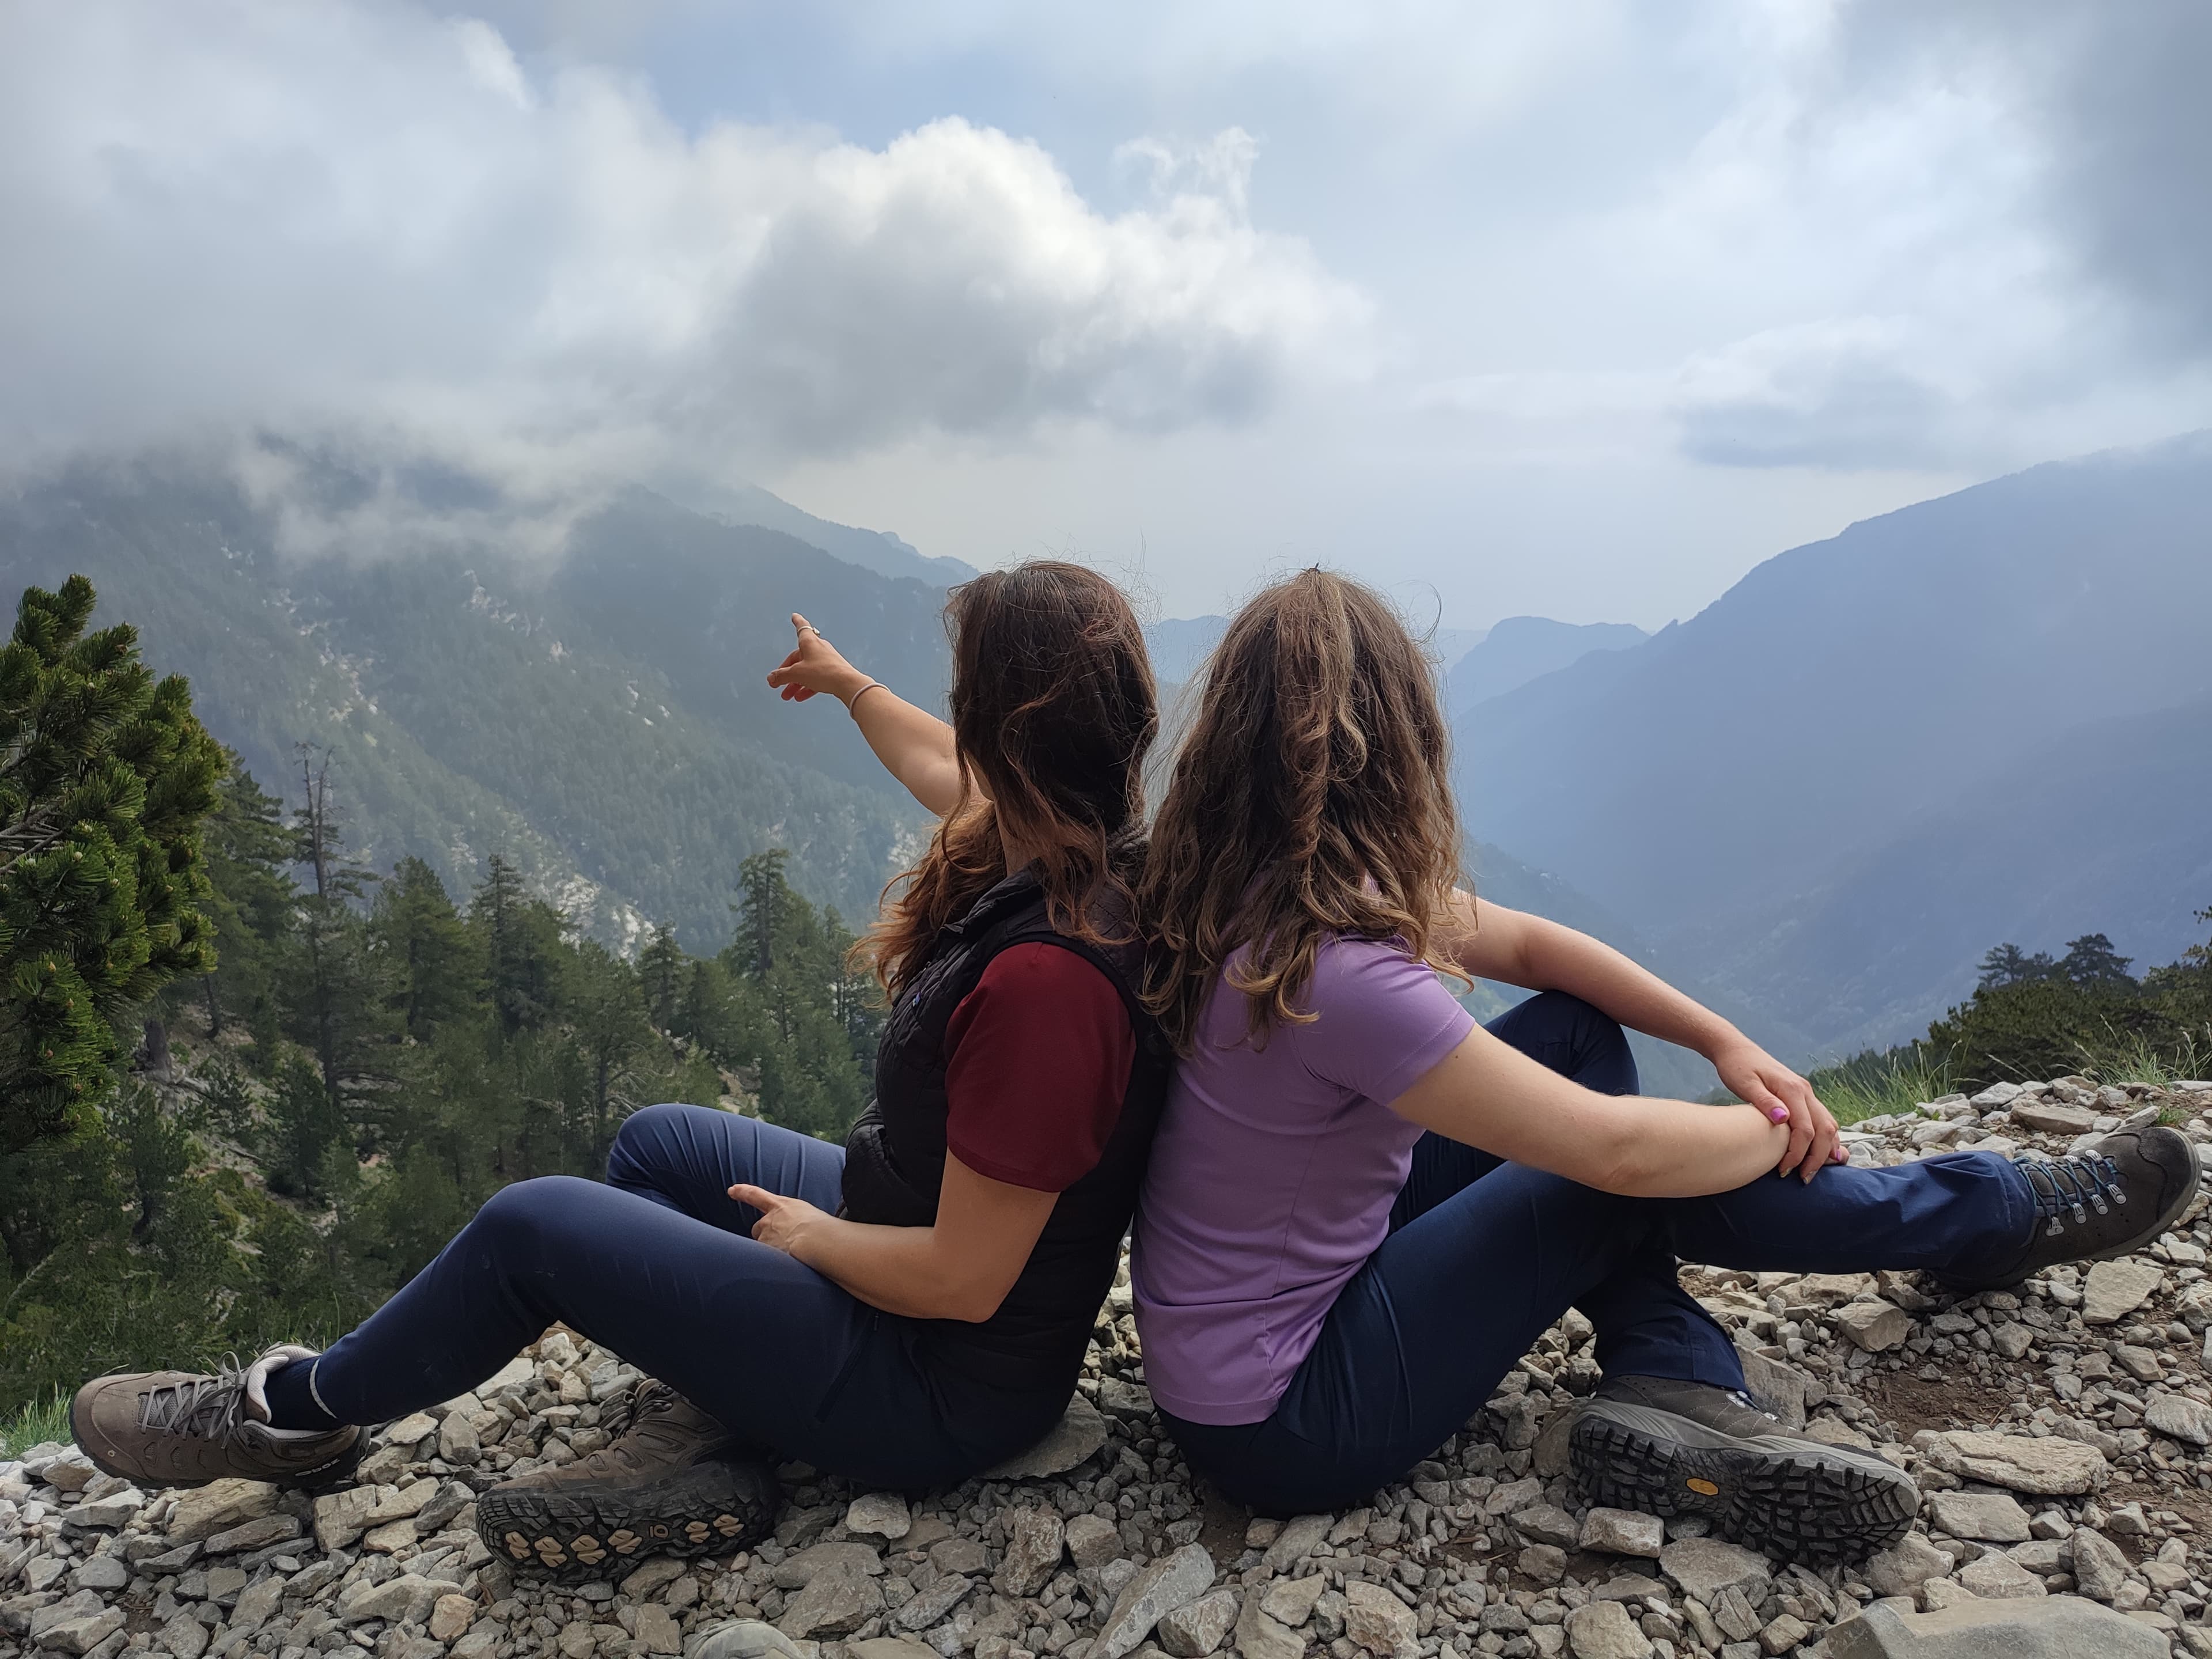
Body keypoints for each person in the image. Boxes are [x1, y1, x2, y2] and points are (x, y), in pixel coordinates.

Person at [72, 562, 1172, 1580]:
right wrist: (849, 685)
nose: (956, 723)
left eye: (967, 694)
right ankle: (723, 1409)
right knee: (660, 1141)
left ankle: (291, 1414)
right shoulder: (1072, 841)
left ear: (1010, 734)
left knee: (533, 1226)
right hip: (906, 1230)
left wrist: (807, 1238)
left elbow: (964, 1282)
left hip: (935, 1383)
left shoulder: (1052, 988)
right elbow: (938, 763)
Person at [1131, 567, 2198, 1562]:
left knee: (1576, 1037)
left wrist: (1725, 1044)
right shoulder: (1336, 970)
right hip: (1291, 1415)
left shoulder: (1242, 885)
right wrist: (1776, 1130)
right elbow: (1621, 1154)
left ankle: (1669, 1367)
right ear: (1401, 745)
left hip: (1259, 1323)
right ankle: (1987, 1213)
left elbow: (1536, 948)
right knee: (1607, 1178)